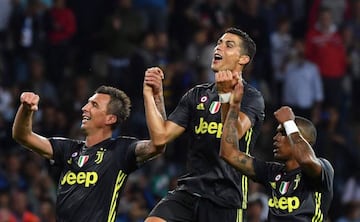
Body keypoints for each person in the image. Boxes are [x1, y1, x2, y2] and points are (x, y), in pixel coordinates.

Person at [143, 27, 265, 222]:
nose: (219, 47)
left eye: (228, 45)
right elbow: (160, 137)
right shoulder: (197, 95)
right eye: (219, 42)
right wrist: (153, 95)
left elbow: (232, 138)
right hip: (189, 190)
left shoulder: (252, 98)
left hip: (225, 197)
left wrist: (226, 98)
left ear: (243, 59)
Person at [12, 85, 166, 221]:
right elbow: (23, 136)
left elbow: (158, 143)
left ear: (110, 118)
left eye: (94, 105)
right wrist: (26, 110)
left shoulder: (120, 150)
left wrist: (157, 98)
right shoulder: (67, 149)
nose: (84, 108)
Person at [219, 82, 334, 221]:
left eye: (283, 133)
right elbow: (228, 153)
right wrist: (228, 102)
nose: (276, 138)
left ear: (305, 141)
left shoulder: (323, 170)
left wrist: (289, 123)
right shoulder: (271, 172)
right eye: (277, 133)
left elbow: (306, 160)